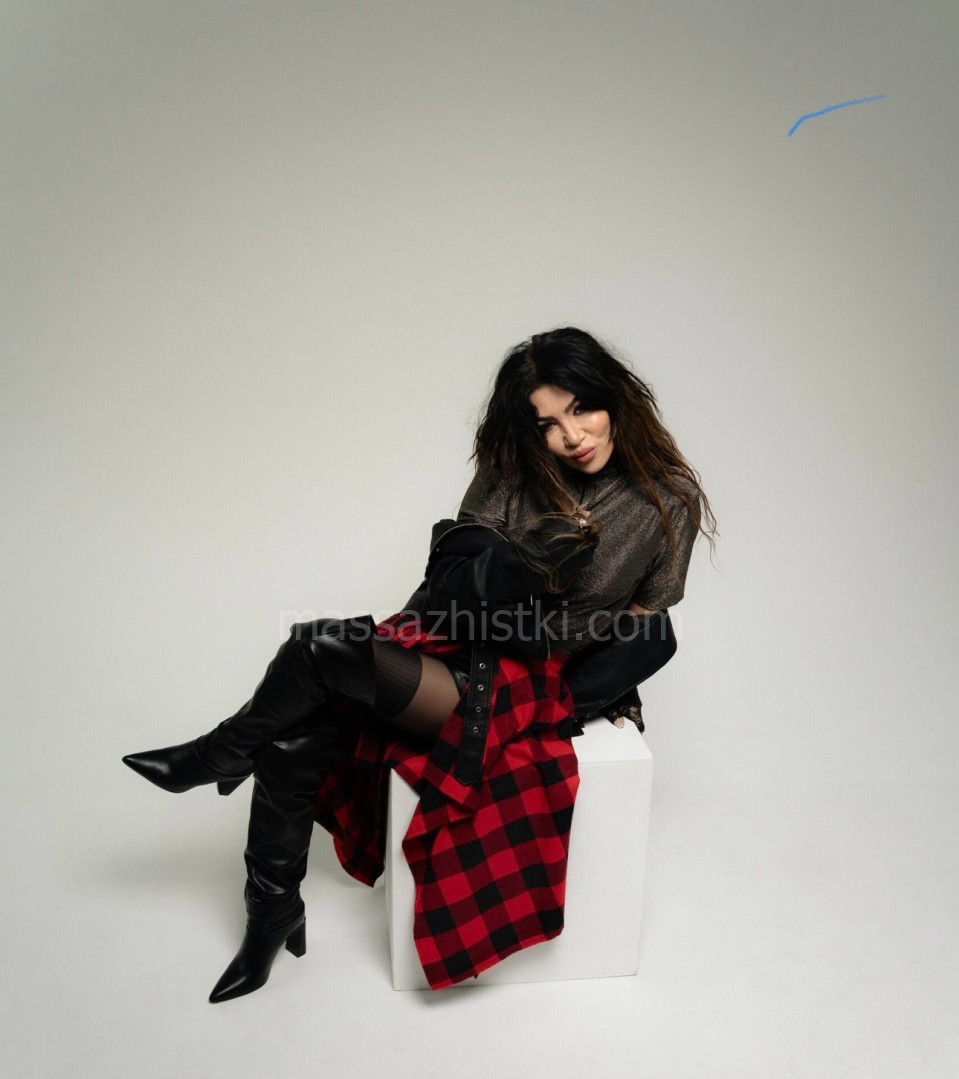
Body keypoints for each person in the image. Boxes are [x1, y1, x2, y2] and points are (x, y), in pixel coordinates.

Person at [122, 327, 716, 1002]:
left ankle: (222, 755)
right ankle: (270, 913)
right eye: (547, 423)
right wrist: (520, 564)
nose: (571, 435)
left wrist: (597, 697)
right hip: (450, 635)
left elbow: (645, 624)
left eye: (582, 408)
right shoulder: (513, 472)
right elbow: (448, 584)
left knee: (317, 647)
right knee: (292, 745)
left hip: (522, 678)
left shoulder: (667, 500)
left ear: (614, 395)